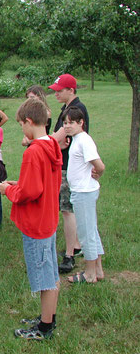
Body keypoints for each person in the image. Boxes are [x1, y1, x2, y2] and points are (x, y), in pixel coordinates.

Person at [0, 98, 62, 341]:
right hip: (48, 219)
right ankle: (48, 317)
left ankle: (44, 329)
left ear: (28, 121)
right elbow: (43, 183)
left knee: (46, 279)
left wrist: (9, 191)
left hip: (36, 224)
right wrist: (20, 183)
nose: (21, 130)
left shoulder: (34, 151)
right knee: (51, 273)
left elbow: (31, 192)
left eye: (21, 125)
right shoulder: (51, 145)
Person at [49, 74, 89, 273]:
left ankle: (70, 255)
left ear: (71, 90)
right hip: (64, 163)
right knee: (67, 208)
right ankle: (78, 245)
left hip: (69, 166)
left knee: (67, 209)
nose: (55, 93)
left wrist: (40, 142)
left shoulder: (76, 110)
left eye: (59, 90)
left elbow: (57, 138)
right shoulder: (67, 109)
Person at [62, 107, 105, 284]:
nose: (67, 126)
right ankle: (98, 270)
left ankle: (89, 273)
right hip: (80, 190)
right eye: (65, 123)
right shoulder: (76, 140)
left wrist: (98, 172)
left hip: (84, 192)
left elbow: (99, 165)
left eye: (71, 122)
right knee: (91, 230)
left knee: (86, 233)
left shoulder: (84, 141)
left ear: (81, 123)